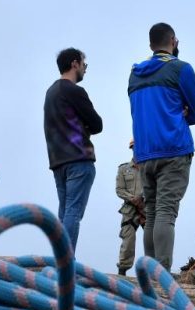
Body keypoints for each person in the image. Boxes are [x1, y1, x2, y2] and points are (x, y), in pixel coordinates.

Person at [128, 22, 195, 271]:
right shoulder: (181, 69)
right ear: (173, 41)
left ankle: (150, 274)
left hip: (144, 153)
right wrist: (182, 111)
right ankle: (163, 275)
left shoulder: (134, 73)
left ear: (150, 44)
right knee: (166, 212)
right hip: (173, 149)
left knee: (151, 213)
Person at [44, 47, 103, 251]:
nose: (85, 69)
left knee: (64, 212)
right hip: (79, 158)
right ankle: (66, 260)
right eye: (84, 64)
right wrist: (85, 126)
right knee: (73, 212)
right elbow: (97, 124)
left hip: (57, 161)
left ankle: (59, 257)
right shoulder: (74, 91)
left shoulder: (51, 92)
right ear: (74, 64)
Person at [115, 139, 145, 276]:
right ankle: (122, 271)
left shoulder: (150, 167)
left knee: (153, 240)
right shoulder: (123, 169)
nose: (136, 149)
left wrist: (142, 198)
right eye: (133, 147)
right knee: (128, 240)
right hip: (129, 210)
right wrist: (133, 199)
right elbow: (119, 190)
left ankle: (156, 271)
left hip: (147, 209)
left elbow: (155, 186)